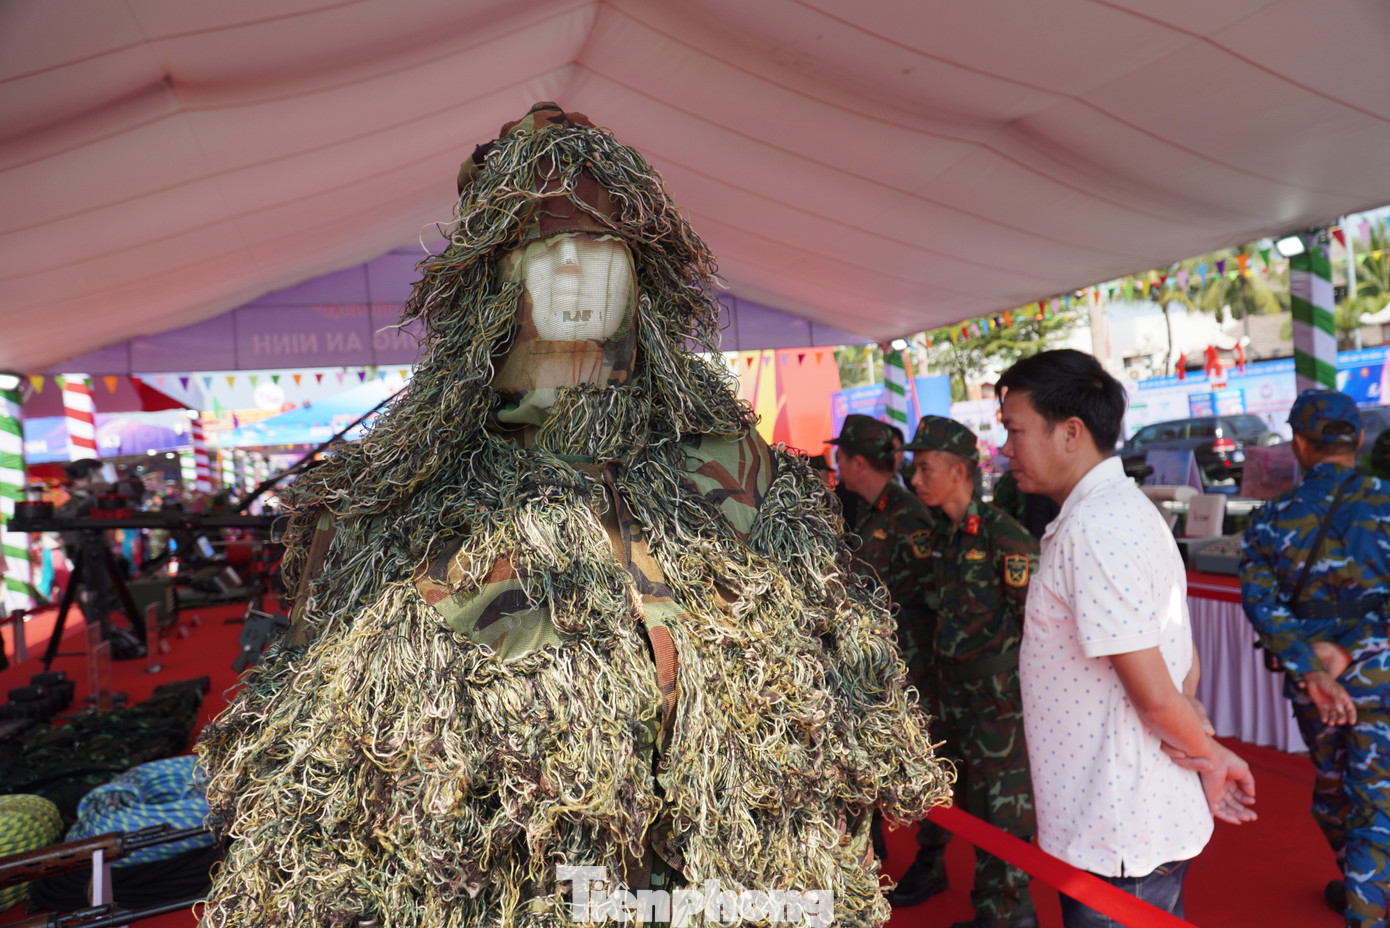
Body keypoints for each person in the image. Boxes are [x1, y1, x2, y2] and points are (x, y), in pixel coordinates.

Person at [195, 104, 951, 928]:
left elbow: (843, 713)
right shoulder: (392, 513)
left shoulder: (737, 479)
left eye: (603, 246)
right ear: (491, 276)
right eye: (546, 245)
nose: (577, 271)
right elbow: (318, 810)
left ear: (641, 271)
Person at [997, 349, 1255, 927]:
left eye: (1015, 431)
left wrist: (1212, 758)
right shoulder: (1115, 511)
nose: (1006, 450)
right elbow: (1179, 657)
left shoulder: (1097, 526)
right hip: (1122, 816)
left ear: (1070, 433)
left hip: (1118, 827)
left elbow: (1160, 694)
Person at [1241, 389, 1390, 925]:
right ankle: (1364, 891)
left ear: (1300, 444)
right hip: (1380, 679)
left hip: (1314, 689)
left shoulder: (1270, 517)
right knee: (1375, 800)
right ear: (1357, 439)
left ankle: (1364, 905)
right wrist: (1351, 650)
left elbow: (1260, 602)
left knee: (1334, 793)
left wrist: (1311, 661)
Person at [903, 415, 1038, 928]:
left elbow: (1038, 630)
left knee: (1005, 811)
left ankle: (1008, 915)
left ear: (960, 471)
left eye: (925, 468)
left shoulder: (1005, 538)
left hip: (998, 702)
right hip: (955, 696)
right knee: (976, 805)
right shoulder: (942, 536)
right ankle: (996, 912)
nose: (915, 480)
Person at [828, 414, 940, 869]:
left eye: (841, 455)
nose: (835, 464)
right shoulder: (861, 508)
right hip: (873, 662)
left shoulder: (908, 514)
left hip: (910, 664)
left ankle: (933, 861)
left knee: (923, 755)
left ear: (857, 462)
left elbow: (926, 594)